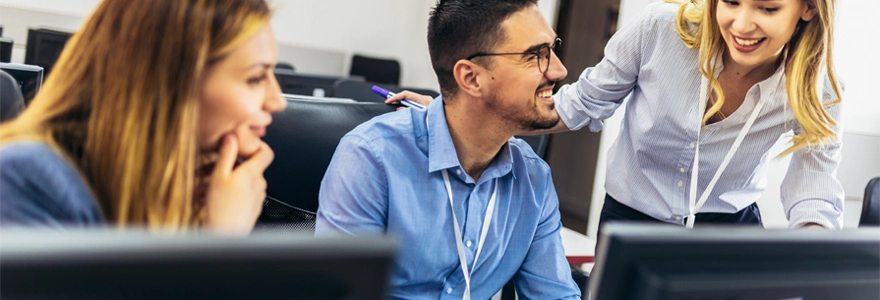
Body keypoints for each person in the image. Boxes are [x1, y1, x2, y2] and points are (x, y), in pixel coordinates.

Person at [393, 0, 844, 231]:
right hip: (632, 218)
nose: (742, 25)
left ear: (807, 8)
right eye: (730, 2)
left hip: (726, 229)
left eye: (767, 8)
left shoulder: (817, 85)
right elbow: (578, 104)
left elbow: (813, 189)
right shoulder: (658, 33)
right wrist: (463, 112)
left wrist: (813, 242)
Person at [315, 0, 580, 299]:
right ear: (471, 78)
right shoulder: (371, 159)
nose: (559, 70)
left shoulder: (533, 179)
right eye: (536, 55)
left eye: (552, 48)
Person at [0, 0, 286, 235]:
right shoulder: (28, 180)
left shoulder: (189, 185)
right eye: (255, 78)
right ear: (171, 84)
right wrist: (220, 245)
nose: (278, 101)